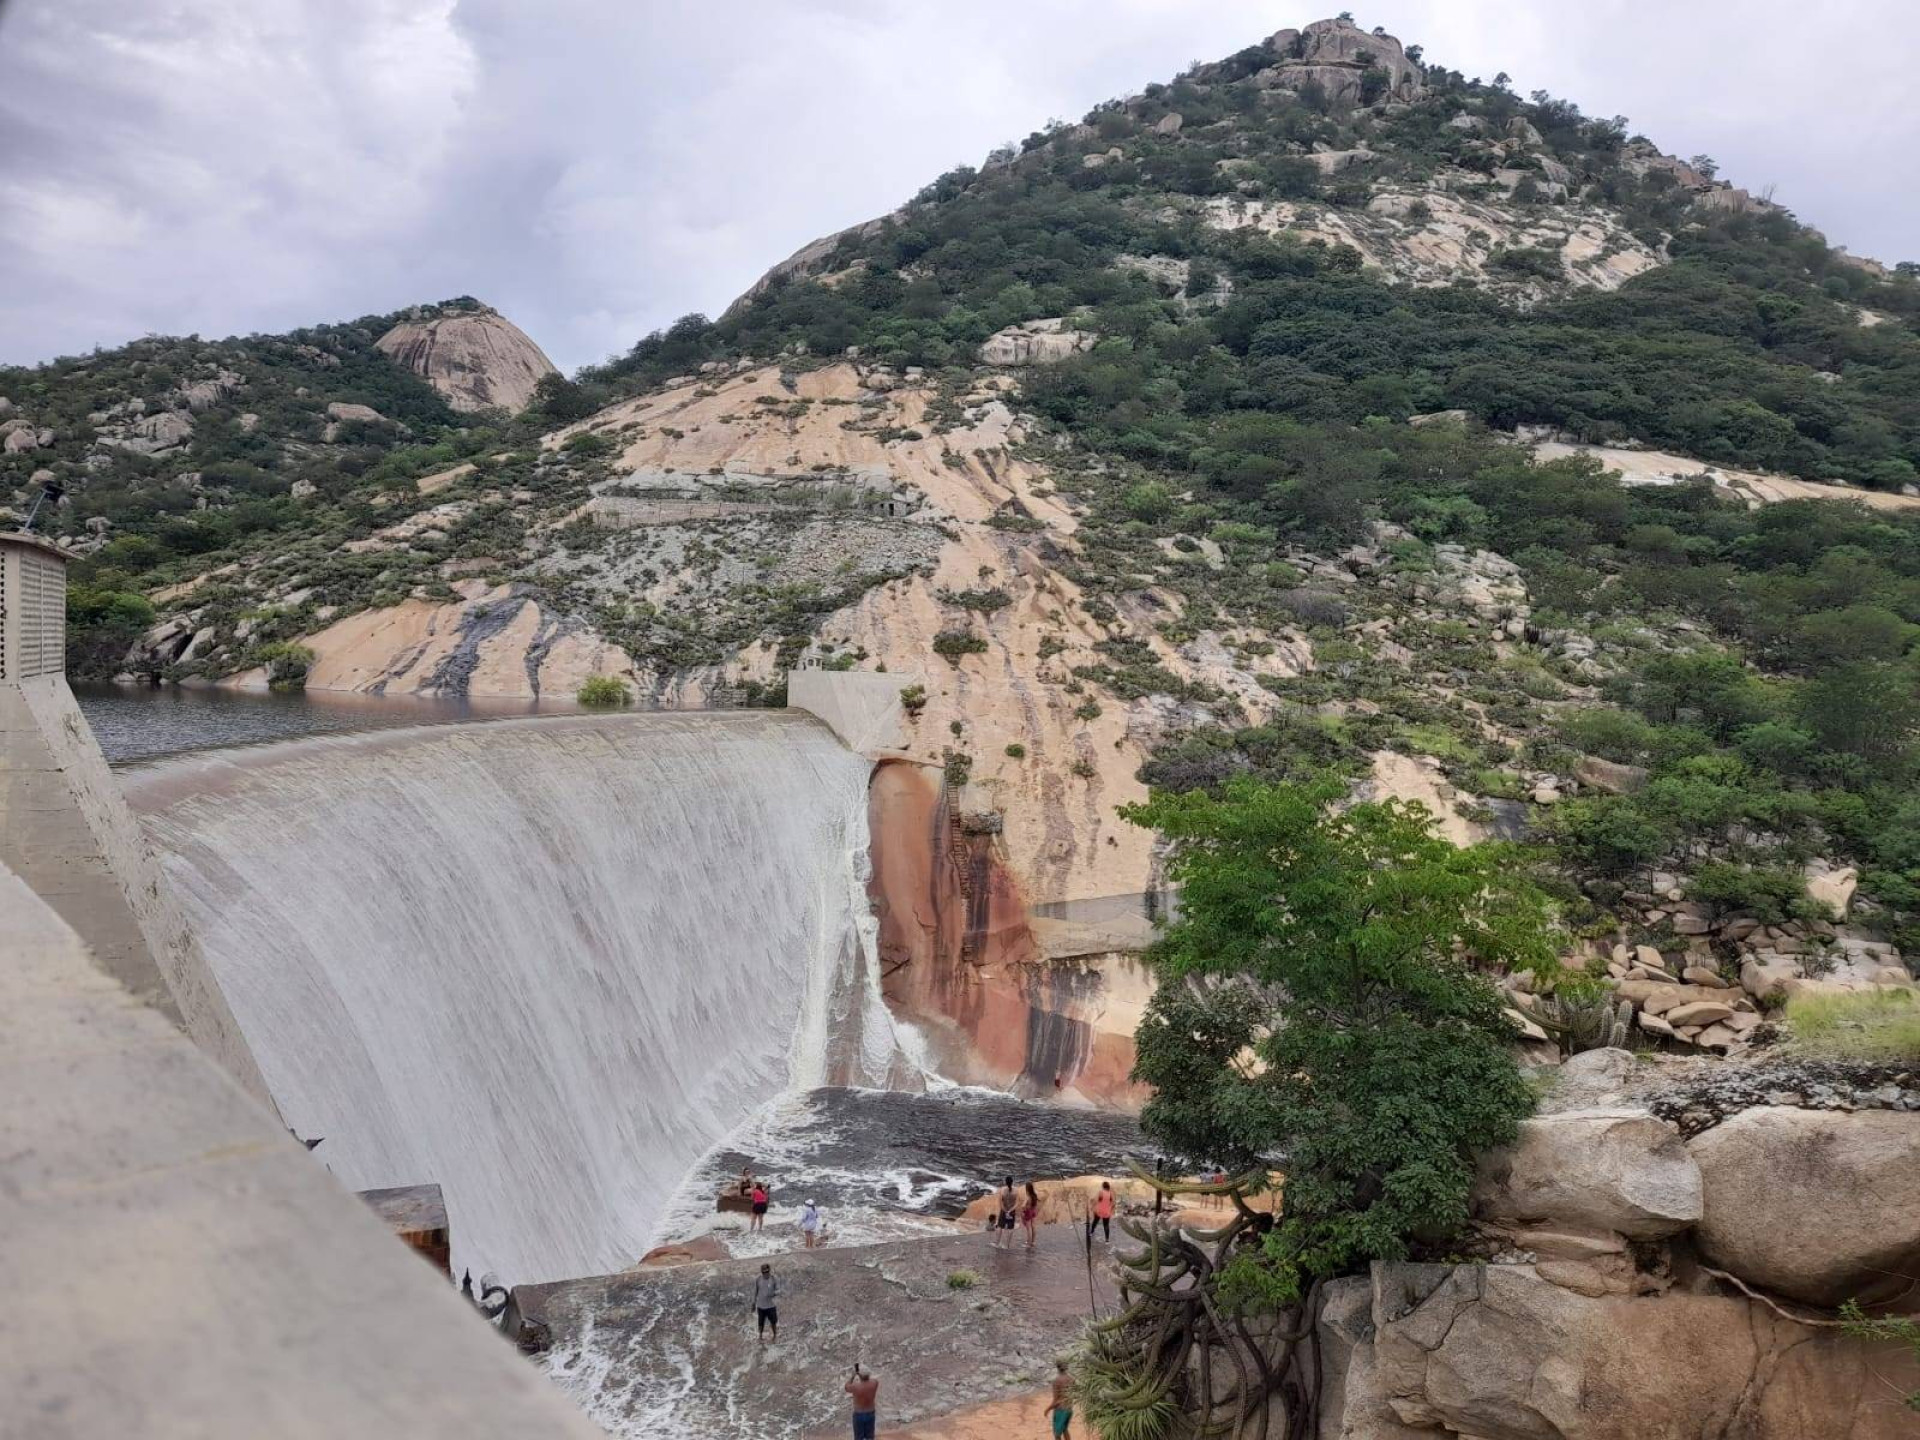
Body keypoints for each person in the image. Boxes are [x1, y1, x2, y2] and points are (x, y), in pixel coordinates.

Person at [845, 1364, 880, 1440]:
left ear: (859, 1375)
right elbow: (871, 1379)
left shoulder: (855, 1386)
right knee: (870, 1437)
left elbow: (846, 1387)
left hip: (858, 1414)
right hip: (870, 1413)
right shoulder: (875, 1383)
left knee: (858, 1437)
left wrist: (853, 1376)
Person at [1043, 1356, 1073, 1438]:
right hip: (1069, 1409)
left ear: (1057, 1367)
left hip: (1061, 1410)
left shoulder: (1057, 1381)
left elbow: (1056, 1401)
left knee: (1057, 1434)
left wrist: (1047, 1409)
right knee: (1064, 1429)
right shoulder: (1071, 1379)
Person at [752, 1263, 779, 1343]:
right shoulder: (758, 1279)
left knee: (773, 1322)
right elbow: (755, 1292)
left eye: (767, 1271)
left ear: (769, 1270)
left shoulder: (773, 1279)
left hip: (771, 1305)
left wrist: (773, 1293)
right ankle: (760, 1336)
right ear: (761, 1272)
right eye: (763, 1272)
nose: (765, 1273)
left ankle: (775, 1335)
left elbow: (779, 1290)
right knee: (760, 1323)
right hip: (761, 1306)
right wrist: (753, 1303)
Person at [1087, 1180, 1114, 1244]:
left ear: (1103, 1186)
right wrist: (1110, 1209)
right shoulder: (1110, 1193)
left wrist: (1092, 1207)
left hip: (1099, 1210)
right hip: (1107, 1211)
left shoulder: (1101, 1192)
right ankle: (1107, 1240)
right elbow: (1113, 1203)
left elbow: (1095, 1200)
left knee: (1095, 1221)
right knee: (1106, 1225)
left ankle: (1091, 1232)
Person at [994, 1176, 1018, 1250]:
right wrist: (1010, 1211)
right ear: (1012, 1182)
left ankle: (997, 1244)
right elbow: (1017, 1203)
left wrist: (1004, 1210)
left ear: (1005, 1182)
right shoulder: (1016, 1190)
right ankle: (1007, 1246)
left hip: (1004, 1211)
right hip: (1012, 1211)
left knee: (1000, 1226)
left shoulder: (1002, 1190)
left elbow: (1000, 1202)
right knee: (1010, 1228)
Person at [1021, 1181, 1040, 1251]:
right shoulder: (1035, 1195)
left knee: (1028, 1229)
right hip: (1033, 1211)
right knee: (1033, 1226)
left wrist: (1024, 1209)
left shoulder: (1028, 1197)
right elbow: (1035, 1205)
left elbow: (1023, 1206)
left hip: (1028, 1212)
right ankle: (1033, 1242)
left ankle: (1028, 1244)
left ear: (1027, 1189)